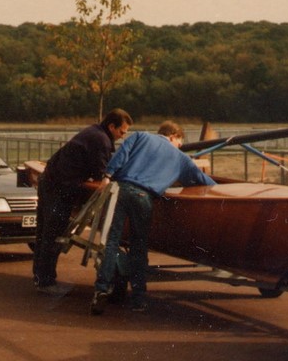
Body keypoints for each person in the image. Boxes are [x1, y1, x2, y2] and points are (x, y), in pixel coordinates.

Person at [90, 120, 215, 314]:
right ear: (173, 136)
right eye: (180, 143)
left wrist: (107, 175)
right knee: (139, 247)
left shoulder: (140, 136)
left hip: (121, 191)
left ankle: (101, 290)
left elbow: (121, 155)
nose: (180, 147)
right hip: (144, 197)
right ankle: (138, 299)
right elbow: (203, 180)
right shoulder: (181, 158)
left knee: (111, 242)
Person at [32, 108, 133, 295]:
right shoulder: (101, 140)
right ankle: (45, 281)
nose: (122, 136)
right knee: (53, 233)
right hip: (60, 187)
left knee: (44, 232)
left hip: (51, 181)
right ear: (112, 126)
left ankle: (40, 276)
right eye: (121, 132)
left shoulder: (94, 132)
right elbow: (102, 171)